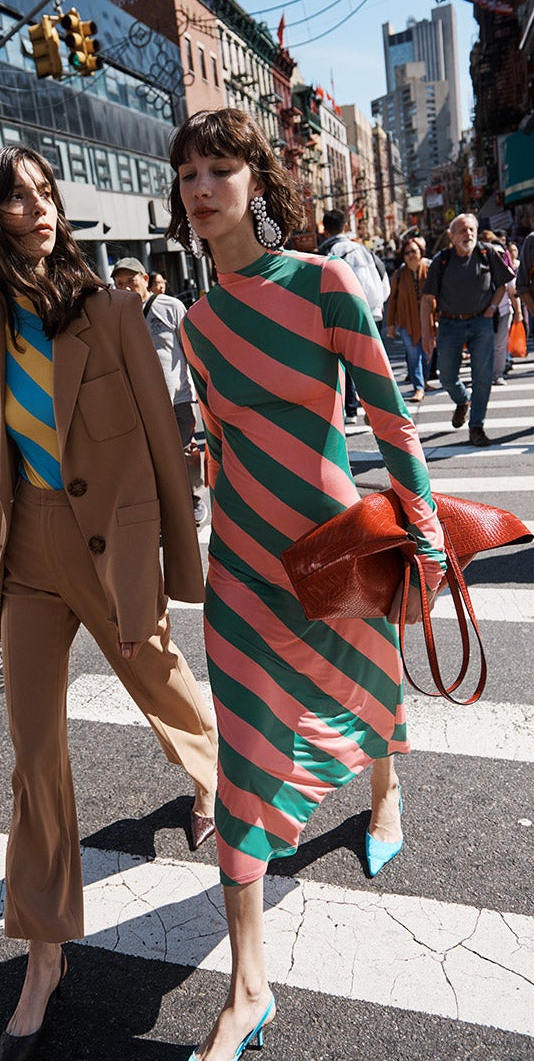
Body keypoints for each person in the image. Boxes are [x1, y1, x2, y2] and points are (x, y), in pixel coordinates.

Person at [170, 109, 446, 1061]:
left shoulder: (323, 283)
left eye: (219, 168)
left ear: (256, 180)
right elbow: (217, 444)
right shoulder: (197, 325)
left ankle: (383, 790)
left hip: (333, 548)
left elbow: (391, 417)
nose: (200, 188)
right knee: (242, 761)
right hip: (242, 568)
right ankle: (248, 989)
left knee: (366, 679)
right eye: (187, 174)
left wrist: (423, 527)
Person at [0, 146, 217, 1061]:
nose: (39, 208)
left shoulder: (111, 312)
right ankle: (43, 951)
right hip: (29, 557)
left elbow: (160, 447)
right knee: (33, 753)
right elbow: (2, 467)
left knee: (161, 683)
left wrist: (167, 573)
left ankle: (209, 776)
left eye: (44, 191)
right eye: (16, 198)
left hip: (113, 546)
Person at [111, 257, 207, 526]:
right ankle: (165, 510)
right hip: (138, 403)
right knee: (150, 459)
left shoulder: (171, 306)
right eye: (119, 283)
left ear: (145, 279)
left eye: (130, 281)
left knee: (183, 452)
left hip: (178, 399)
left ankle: (194, 500)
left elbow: (191, 351)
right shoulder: (114, 314)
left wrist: (201, 391)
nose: (125, 288)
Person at [420, 213, 514, 448]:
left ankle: (476, 427)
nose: (468, 234)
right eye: (462, 230)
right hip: (450, 324)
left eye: (471, 229)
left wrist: (492, 308)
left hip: (481, 323)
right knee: (446, 376)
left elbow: (503, 285)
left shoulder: (487, 253)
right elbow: (427, 299)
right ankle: (463, 400)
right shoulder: (442, 260)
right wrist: (427, 333)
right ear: (452, 237)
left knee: (483, 377)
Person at [318, 208, 390, 422]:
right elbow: (383, 275)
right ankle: (377, 409)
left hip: (344, 315)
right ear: (346, 226)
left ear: (325, 230)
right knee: (372, 363)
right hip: (374, 311)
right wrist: (379, 303)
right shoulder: (363, 249)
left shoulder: (327, 252)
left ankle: (351, 408)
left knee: (345, 362)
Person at [386, 236, 432, 401]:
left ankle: (424, 382)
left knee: (427, 353)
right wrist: (390, 324)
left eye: (413, 251)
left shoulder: (430, 269)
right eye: (407, 253)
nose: (410, 255)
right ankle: (418, 387)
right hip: (406, 321)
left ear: (421, 252)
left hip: (428, 320)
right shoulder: (399, 274)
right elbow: (393, 300)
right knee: (413, 355)